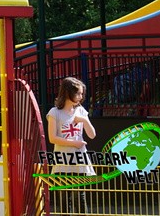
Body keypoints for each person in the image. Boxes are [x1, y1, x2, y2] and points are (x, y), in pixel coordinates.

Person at [47, 76, 97, 214]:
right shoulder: (54, 112)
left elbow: (92, 134)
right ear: (68, 92)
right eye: (78, 93)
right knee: (64, 197)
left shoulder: (81, 111)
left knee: (79, 196)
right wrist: (74, 143)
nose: (81, 97)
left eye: (82, 93)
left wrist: (84, 121)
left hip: (79, 159)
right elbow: (52, 138)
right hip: (63, 159)